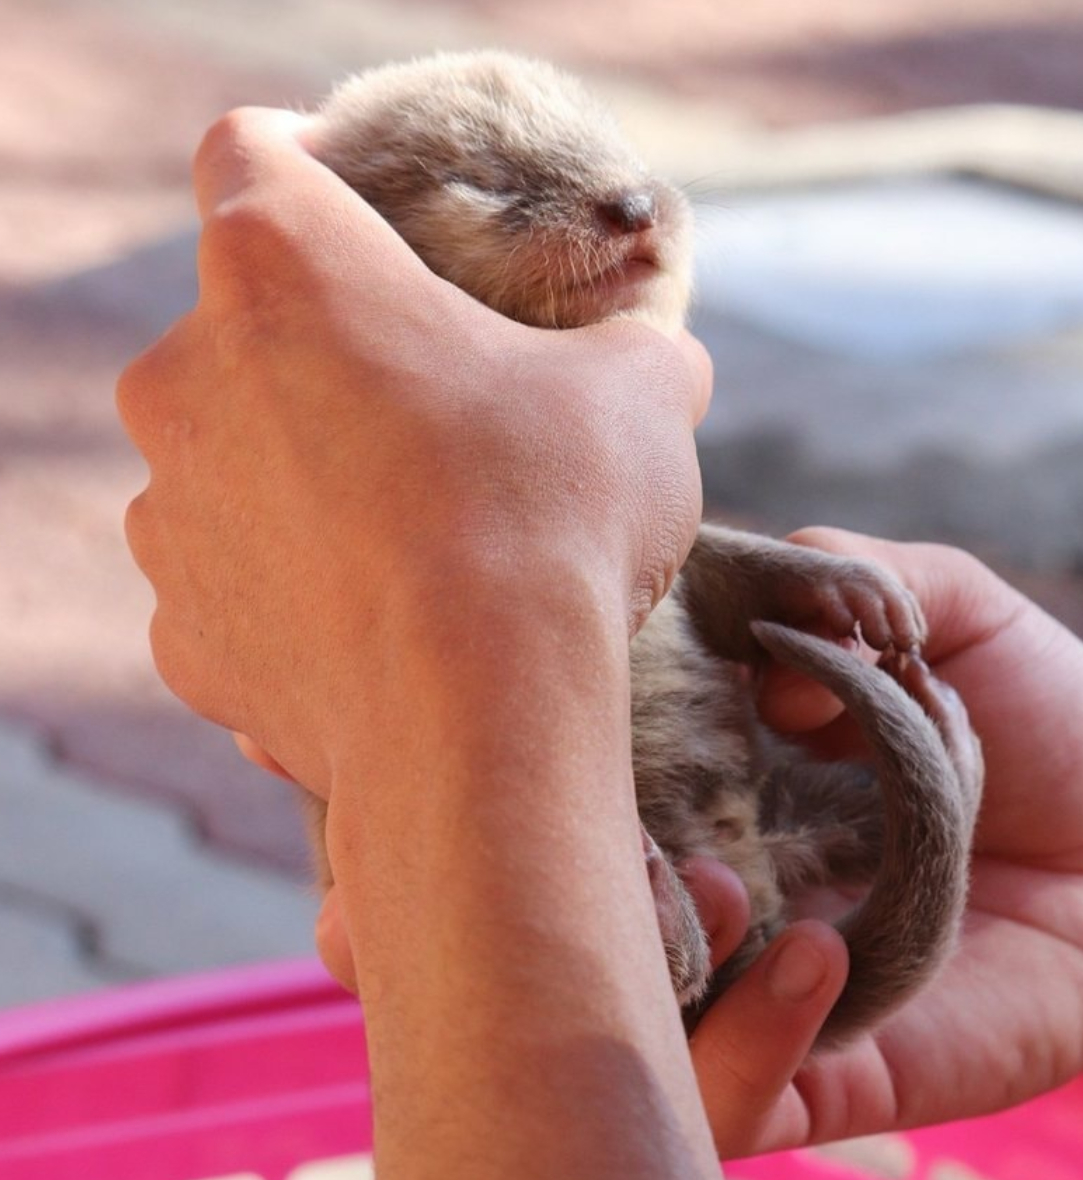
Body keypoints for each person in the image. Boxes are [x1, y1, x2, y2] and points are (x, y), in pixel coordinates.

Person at [118, 107, 1083, 1176]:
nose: (630, 208)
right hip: (715, 880)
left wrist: (467, 610)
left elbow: (679, 562)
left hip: (742, 845)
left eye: (627, 172)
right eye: (493, 186)